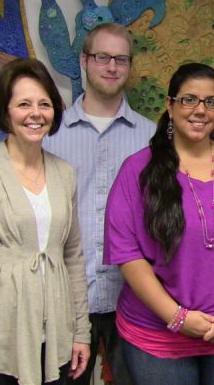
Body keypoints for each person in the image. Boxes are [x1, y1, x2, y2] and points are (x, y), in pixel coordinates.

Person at [103, 63, 214, 385]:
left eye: (210, 101)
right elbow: (127, 254)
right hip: (158, 336)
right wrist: (176, 317)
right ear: (170, 106)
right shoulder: (137, 170)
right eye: (189, 99)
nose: (200, 110)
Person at [0, 58, 91, 385]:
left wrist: (81, 332)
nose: (35, 113)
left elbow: (73, 257)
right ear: (6, 111)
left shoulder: (65, 173)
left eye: (44, 104)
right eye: (24, 104)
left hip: (58, 335)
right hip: (1, 338)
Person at [44, 22, 154, 385]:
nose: (111, 67)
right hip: (66, 300)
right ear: (84, 61)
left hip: (134, 299)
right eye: (102, 57)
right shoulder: (50, 137)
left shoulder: (151, 138)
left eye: (121, 59)